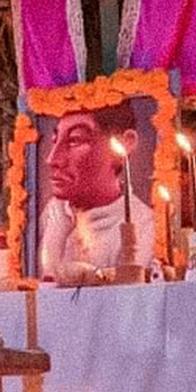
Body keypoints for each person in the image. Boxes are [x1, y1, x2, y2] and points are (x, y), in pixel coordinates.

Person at [39, 103, 155, 278]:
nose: (52, 159)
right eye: (55, 140)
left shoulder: (145, 227)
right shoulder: (52, 214)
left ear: (126, 143)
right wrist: (56, 234)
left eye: (74, 140)